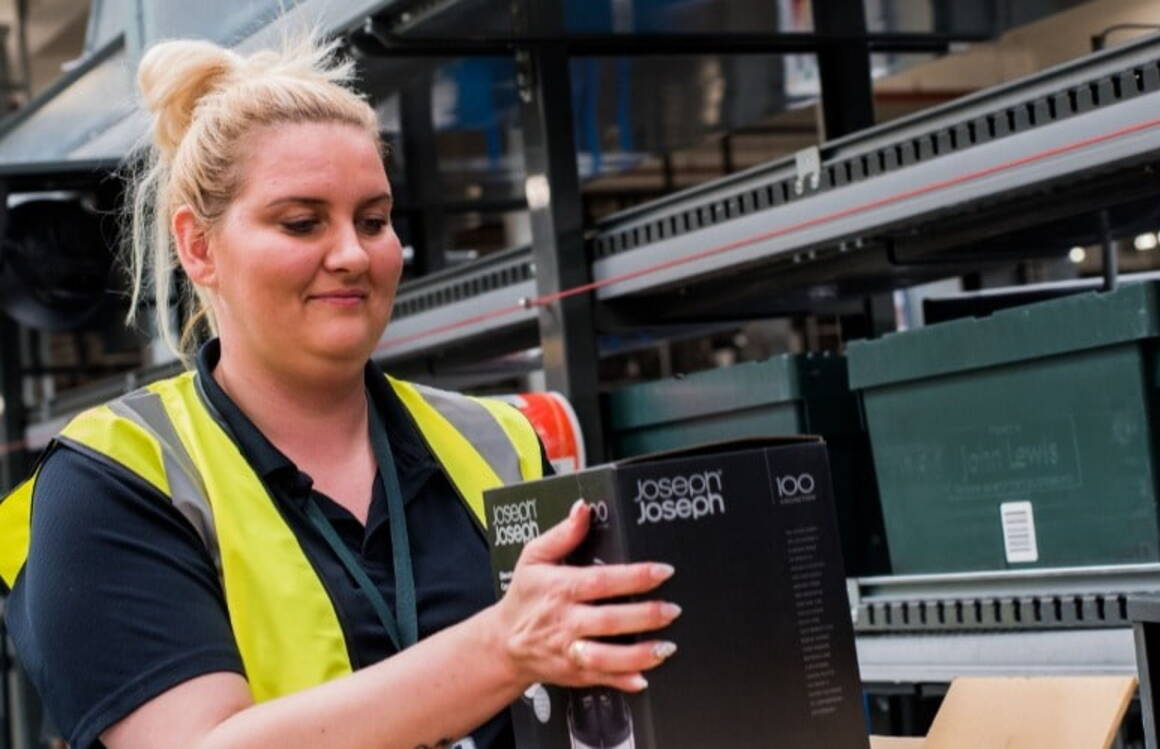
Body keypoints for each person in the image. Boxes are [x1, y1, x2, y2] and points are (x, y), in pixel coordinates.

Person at [0, 36, 680, 749]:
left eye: (374, 220)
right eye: (301, 222)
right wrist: (501, 649)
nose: (353, 254)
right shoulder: (116, 475)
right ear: (198, 248)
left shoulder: (498, 442)